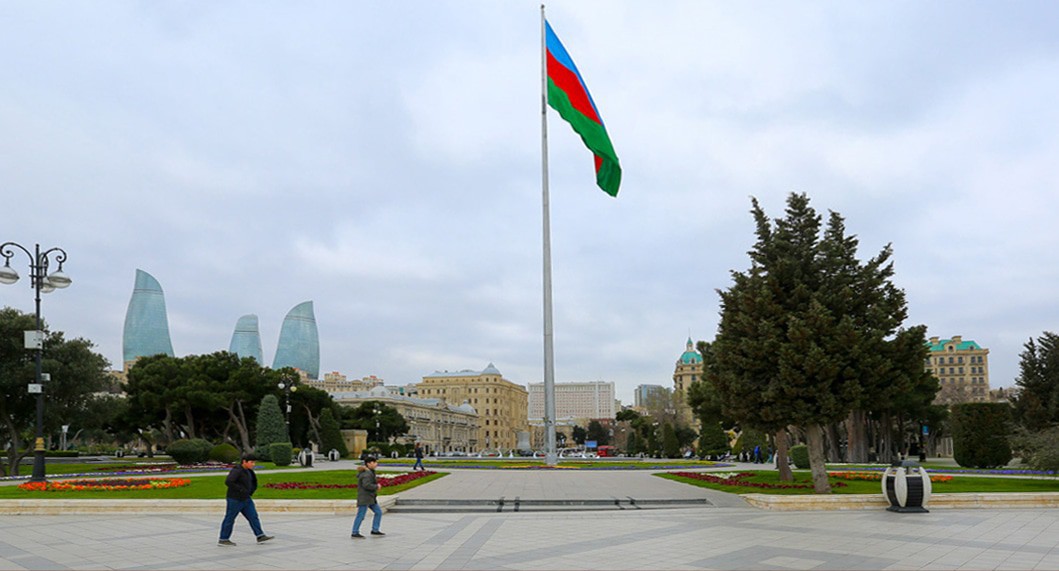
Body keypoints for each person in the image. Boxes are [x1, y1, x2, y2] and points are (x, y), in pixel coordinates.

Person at [218, 455, 274, 546]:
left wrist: (250, 492)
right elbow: (228, 481)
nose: (253, 464)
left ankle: (260, 536)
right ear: (244, 461)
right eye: (251, 462)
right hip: (235, 499)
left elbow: (253, 482)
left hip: (246, 499)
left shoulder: (249, 471)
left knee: (253, 517)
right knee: (230, 518)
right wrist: (240, 490)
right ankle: (223, 539)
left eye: (254, 462)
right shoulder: (237, 470)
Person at [351, 456, 384, 538]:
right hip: (365, 498)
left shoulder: (370, 472)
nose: (376, 464)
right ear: (369, 464)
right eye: (374, 462)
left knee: (378, 512)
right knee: (361, 515)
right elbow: (366, 485)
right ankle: (355, 532)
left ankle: (375, 529)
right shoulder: (367, 474)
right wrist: (376, 486)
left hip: (371, 498)